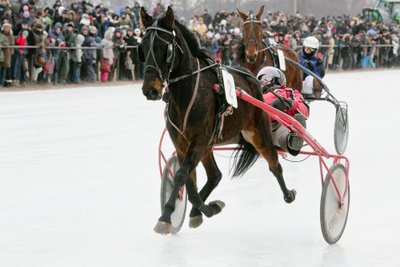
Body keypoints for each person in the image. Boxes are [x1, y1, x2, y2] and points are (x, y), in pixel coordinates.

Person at [257, 66, 309, 156]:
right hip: (259, 126)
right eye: (262, 79)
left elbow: (304, 111)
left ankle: (293, 140)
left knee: (282, 134)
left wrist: (290, 104)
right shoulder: (255, 95)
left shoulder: (288, 92)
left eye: (268, 78)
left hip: (280, 124)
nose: (264, 81)